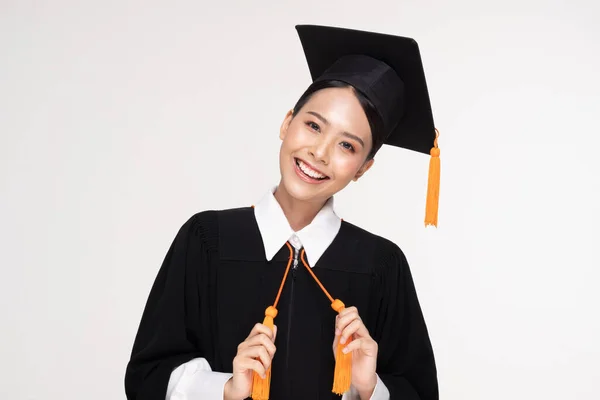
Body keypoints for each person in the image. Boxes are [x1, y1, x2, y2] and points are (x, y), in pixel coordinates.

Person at [125, 24, 440, 400]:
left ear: (362, 169)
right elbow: (147, 377)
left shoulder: (381, 266)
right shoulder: (207, 240)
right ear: (286, 122)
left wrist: (369, 387)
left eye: (347, 146)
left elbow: (418, 392)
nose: (320, 153)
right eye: (312, 125)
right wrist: (225, 389)